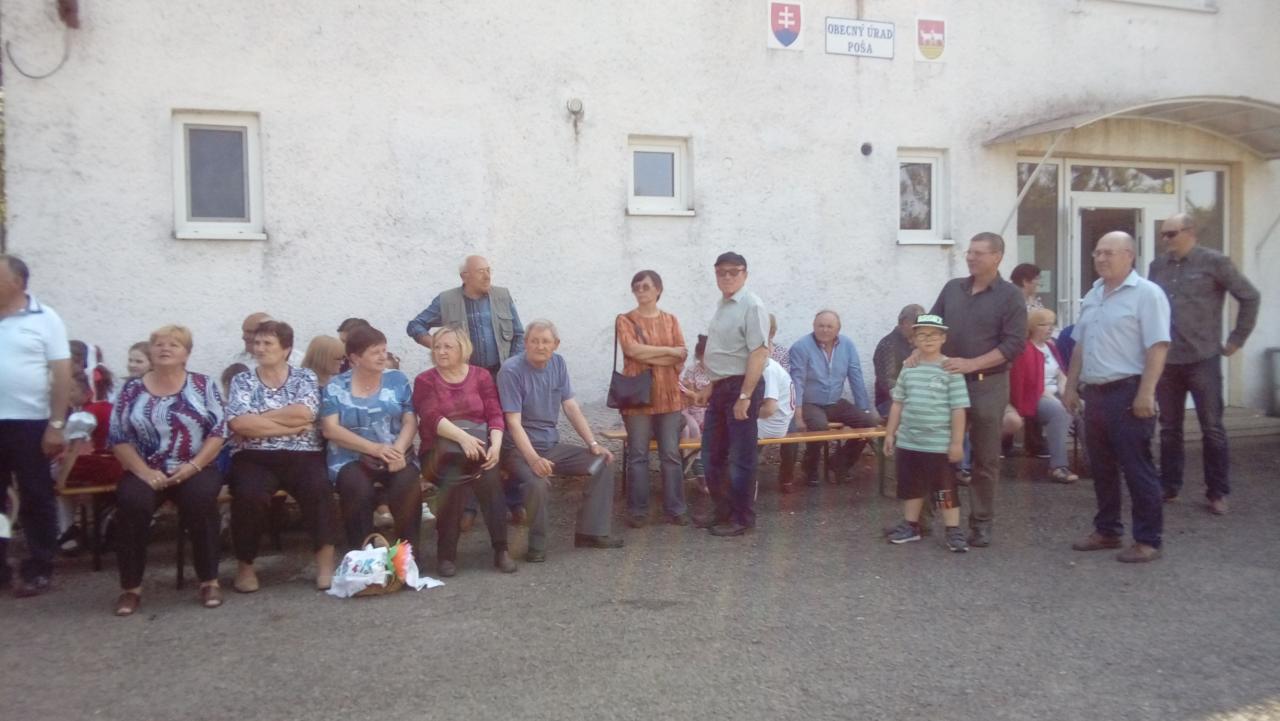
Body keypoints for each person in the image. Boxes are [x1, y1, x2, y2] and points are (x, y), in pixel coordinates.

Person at [1064, 231, 1171, 563]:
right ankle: (1108, 530)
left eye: (1109, 253)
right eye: (1098, 252)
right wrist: (1070, 386)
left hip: (1128, 392)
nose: (1101, 258)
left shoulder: (1147, 294)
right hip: (1095, 394)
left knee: (1137, 469)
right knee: (1102, 469)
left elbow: (1158, 346)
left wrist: (1146, 392)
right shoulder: (1094, 293)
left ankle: (1148, 540)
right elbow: (1081, 344)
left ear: (1129, 256)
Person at [108, 325, 227, 614]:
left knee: (201, 501)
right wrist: (144, 472)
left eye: (174, 344)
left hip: (196, 465)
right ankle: (130, 589)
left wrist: (194, 466)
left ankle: (209, 581)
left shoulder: (203, 385)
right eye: (159, 344)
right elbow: (117, 437)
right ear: (150, 351)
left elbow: (219, 431)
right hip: (146, 468)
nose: (165, 349)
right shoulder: (131, 389)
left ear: (187, 353)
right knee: (132, 503)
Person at [1149, 212, 1260, 514]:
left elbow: (1250, 296)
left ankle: (1217, 492)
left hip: (1203, 358)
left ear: (1190, 232)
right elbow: (1148, 305)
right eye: (1163, 234)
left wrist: (1237, 338)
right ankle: (1169, 485)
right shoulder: (1158, 266)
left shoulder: (1215, 262)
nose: (1166, 240)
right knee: (1169, 428)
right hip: (1168, 359)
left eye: (1171, 234)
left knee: (1212, 428)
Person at [926, 232, 1027, 548]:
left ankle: (981, 523)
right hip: (949, 383)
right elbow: (933, 324)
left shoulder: (1010, 297)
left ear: (997, 257)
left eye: (978, 253)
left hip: (988, 385)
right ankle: (926, 519)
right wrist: (920, 346)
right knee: (938, 453)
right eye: (969, 252)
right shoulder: (952, 288)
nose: (970, 257)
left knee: (984, 459)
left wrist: (972, 364)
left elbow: (1014, 345)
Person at [225, 321, 336, 593]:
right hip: (254, 456)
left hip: (303, 454)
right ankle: (245, 566)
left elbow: (305, 413)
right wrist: (290, 427)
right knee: (248, 495)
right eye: (257, 343)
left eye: (267, 343)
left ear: (286, 349)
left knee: (318, 489)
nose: (259, 348)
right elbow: (239, 424)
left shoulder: (304, 378)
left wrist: (258, 418)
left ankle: (325, 564)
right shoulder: (243, 381)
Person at [499, 319, 620, 562]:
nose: (540, 346)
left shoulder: (558, 363)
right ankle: (537, 545)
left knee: (603, 463)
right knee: (537, 483)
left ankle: (591, 533)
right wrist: (534, 459)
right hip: (519, 451)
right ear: (525, 343)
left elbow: (571, 407)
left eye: (546, 341)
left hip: (551, 446)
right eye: (534, 341)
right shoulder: (511, 371)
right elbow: (513, 422)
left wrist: (593, 444)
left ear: (556, 344)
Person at [412, 324, 516, 576]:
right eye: (437, 347)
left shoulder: (481, 376)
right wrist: (463, 438)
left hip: (479, 448)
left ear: (463, 349)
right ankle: (446, 554)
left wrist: (496, 446)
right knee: (454, 482)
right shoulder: (425, 380)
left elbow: (494, 413)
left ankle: (501, 549)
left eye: (448, 346)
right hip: (439, 452)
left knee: (490, 479)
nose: (441, 351)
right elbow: (430, 417)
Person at [0, 254, 71, 597]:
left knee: (35, 496)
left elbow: (61, 375)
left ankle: (39, 566)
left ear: (17, 282)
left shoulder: (45, 318)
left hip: (30, 423)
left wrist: (56, 424)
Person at [320, 325, 423, 549]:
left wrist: (398, 449)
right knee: (357, 488)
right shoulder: (336, 386)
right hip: (351, 457)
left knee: (407, 484)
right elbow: (330, 429)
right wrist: (374, 449)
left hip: (395, 452)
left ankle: (409, 555)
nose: (382, 356)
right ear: (355, 358)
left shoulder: (397, 379)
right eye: (375, 352)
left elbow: (410, 420)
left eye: (384, 350)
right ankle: (363, 556)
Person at [692, 252, 769, 536]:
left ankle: (742, 518)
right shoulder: (723, 305)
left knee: (741, 457)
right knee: (712, 454)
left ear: (745, 274)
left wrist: (745, 396)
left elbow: (759, 352)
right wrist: (711, 384)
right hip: (722, 387)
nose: (726, 277)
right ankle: (722, 511)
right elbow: (723, 352)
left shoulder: (752, 305)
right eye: (721, 272)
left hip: (741, 387)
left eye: (733, 271)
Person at [883, 314, 971, 552]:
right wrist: (890, 433)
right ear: (914, 340)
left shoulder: (950, 369)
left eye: (933, 334)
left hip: (939, 444)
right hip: (909, 441)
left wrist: (956, 443)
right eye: (922, 335)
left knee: (945, 489)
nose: (928, 339)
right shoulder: (908, 368)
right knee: (912, 487)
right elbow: (898, 403)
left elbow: (958, 409)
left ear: (943, 338)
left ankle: (953, 530)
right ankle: (911, 526)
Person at [615, 270, 689, 527]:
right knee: (638, 455)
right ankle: (638, 511)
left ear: (658, 289)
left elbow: (682, 355)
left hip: (669, 397)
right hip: (638, 398)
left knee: (671, 454)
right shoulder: (625, 320)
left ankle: (676, 509)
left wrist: (653, 355)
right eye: (636, 287)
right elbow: (631, 350)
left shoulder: (671, 320)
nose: (641, 291)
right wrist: (668, 352)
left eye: (646, 286)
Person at [785, 310, 879, 491]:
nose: (825, 330)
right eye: (820, 325)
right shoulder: (801, 347)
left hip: (834, 402)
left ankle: (839, 462)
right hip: (809, 403)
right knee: (819, 426)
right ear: (813, 326)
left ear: (838, 329)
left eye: (830, 326)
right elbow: (796, 381)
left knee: (868, 422)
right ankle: (810, 467)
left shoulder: (847, 345)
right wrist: (798, 413)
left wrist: (864, 408)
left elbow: (856, 377)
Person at [407, 255, 525, 377]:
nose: (487, 277)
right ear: (464, 276)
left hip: (500, 374)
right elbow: (415, 325)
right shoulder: (446, 300)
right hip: (463, 377)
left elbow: (519, 334)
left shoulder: (503, 296)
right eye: (481, 271)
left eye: (488, 270)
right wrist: (439, 346)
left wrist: (511, 366)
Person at [1009, 308, 1078, 483]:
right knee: (1060, 412)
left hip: (1054, 393)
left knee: (1085, 409)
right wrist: (1059, 401)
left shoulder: (1051, 347)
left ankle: (1095, 463)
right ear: (1032, 327)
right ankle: (1058, 467)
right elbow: (1029, 384)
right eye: (1043, 324)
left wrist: (1069, 395)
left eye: (1051, 324)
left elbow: (1061, 375)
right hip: (1034, 396)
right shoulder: (1024, 349)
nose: (1049, 328)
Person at [872, 304, 925, 417]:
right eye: (918, 324)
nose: (921, 328)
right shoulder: (888, 344)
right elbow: (888, 383)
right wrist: (914, 400)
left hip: (915, 399)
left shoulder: (919, 342)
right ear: (905, 322)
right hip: (889, 402)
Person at [758, 315, 795, 442]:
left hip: (771, 426)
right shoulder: (769, 365)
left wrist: (745, 413)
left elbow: (769, 409)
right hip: (774, 422)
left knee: (731, 423)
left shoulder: (768, 369)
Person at [233, 312, 303, 368]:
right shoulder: (237, 360)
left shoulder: (299, 361)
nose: (244, 337)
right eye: (244, 331)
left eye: (250, 332)